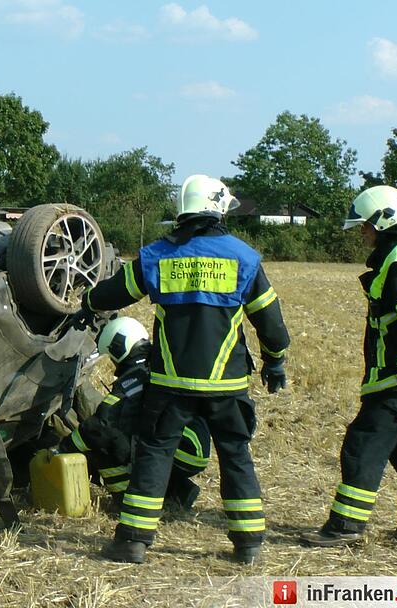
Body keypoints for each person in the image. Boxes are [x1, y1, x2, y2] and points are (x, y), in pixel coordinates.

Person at [83, 174, 291, 565]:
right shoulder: (244, 257)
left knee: (154, 455)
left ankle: (133, 542)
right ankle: (248, 545)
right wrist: (275, 359)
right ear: (219, 209)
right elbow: (270, 320)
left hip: (170, 383)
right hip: (226, 384)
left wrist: (87, 300)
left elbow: (114, 293)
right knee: (235, 455)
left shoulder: (158, 255)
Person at [301, 185, 397, 550]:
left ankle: (345, 525)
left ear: (384, 220)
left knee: (362, 445)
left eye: (366, 225)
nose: (362, 232)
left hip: (396, 377)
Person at [56, 316, 211, 511]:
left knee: (109, 446)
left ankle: (126, 499)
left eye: (112, 357)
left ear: (119, 347)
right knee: (138, 436)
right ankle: (177, 491)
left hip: (180, 446)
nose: (113, 363)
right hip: (193, 446)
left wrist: (65, 447)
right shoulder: (155, 362)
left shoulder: (134, 377)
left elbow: (103, 424)